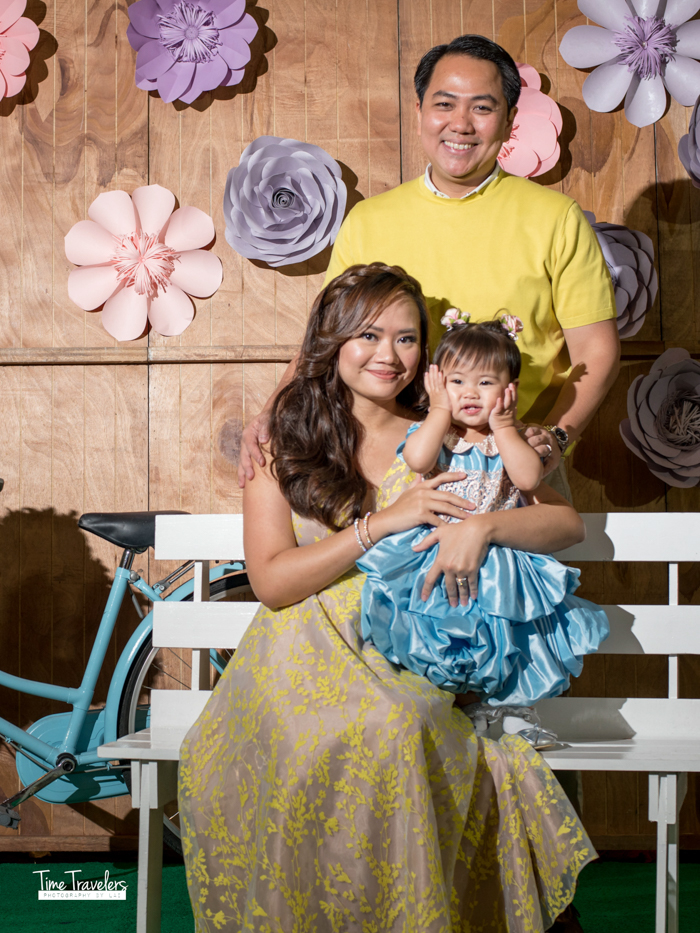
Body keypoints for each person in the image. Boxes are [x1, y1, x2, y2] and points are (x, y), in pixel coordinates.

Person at [179, 264, 593, 932]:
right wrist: (379, 525)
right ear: (331, 341)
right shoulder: (284, 441)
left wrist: (484, 527)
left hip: (413, 651)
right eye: (367, 335)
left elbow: (562, 524)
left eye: (406, 338)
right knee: (356, 734)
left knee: (401, 728)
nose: (387, 355)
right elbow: (274, 583)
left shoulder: (454, 430)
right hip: (303, 650)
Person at [237, 34, 621, 506]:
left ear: (509, 121)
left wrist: (556, 438)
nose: (460, 123)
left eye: (482, 107)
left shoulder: (555, 218)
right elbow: (326, 339)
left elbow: (596, 350)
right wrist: (272, 412)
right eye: (444, 104)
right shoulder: (369, 221)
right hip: (384, 457)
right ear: (419, 111)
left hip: (513, 459)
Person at [357, 314, 609, 728]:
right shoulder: (438, 434)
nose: (470, 392)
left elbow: (527, 478)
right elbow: (417, 459)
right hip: (437, 553)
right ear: (439, 383)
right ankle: (449, 708)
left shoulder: (509, 439)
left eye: (486, 382)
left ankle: (507, 708)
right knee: (442, 630)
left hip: (500, 562)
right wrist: (439, 409)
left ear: (510, 390)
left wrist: (505, 426)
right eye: (457, 381)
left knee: (504, 632)